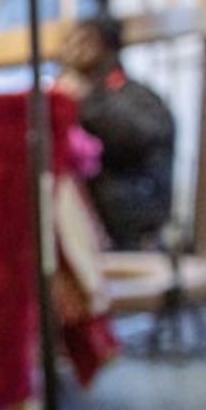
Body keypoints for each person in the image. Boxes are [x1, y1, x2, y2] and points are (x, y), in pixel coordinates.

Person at [59, 16, 176, 249]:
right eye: (70, 42)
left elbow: (138, 139)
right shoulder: (77, 92)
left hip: (132, 214)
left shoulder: (134, 95)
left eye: (84, 41)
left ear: (106, 46)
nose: (73, 49)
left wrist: (87, 102)